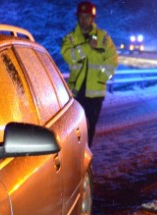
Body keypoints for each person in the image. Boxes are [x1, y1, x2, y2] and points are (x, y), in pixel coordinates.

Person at [61, 1, 118, 146]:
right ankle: (73, 153)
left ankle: (86, 154)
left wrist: (102, 78)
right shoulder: (70, 38)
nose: (83, 20)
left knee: (90, 126)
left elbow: (113, 59)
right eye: (81, 16)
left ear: (93, 18)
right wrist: (87, 47)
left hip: (96, 94)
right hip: (75, 92)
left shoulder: (103, 38)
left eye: (87, 17)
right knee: (73, 128)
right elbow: (68, 56)